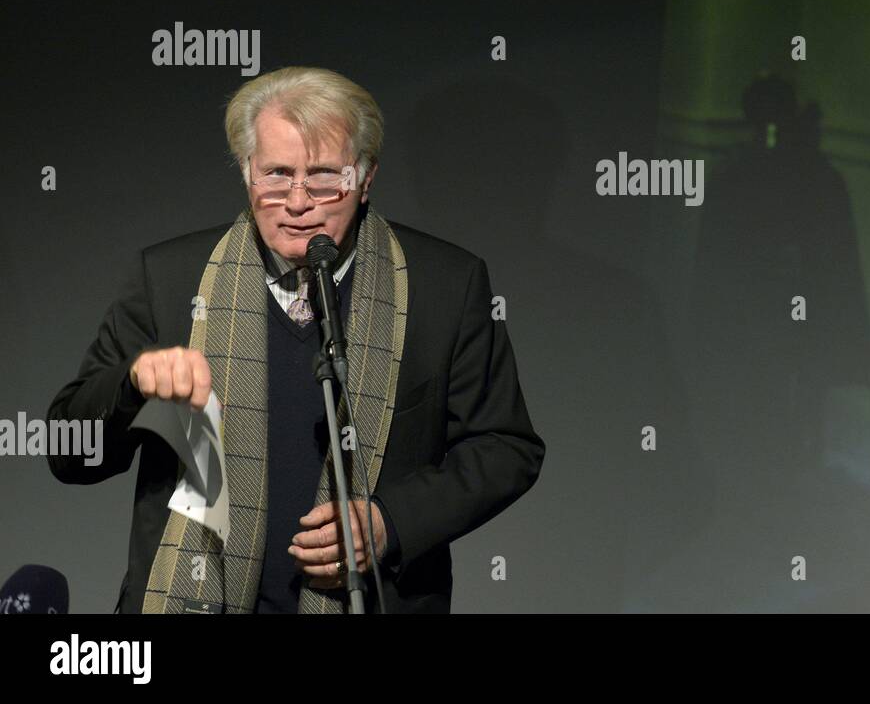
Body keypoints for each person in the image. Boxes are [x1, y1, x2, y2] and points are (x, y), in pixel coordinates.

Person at [47, 66, 545, 613]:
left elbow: (505, 449)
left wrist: (391, 523)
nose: (299, 200)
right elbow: (68, 451)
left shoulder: (445, 285)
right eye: (277, 174)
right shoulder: (170, 280)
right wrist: (132, 385)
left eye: (326, 176)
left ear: (366, 177)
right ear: (247, 173)